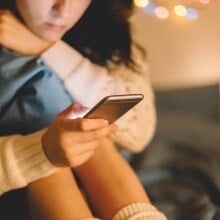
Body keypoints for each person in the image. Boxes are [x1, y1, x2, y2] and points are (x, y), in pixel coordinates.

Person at [0, 0, 167, 219]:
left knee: (88, 127)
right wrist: (41, 151)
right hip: (20, 177)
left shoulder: (107, 24)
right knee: (54, 127)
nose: (63, 10)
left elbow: (140, 131)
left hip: (96, 171)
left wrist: (47, 49)